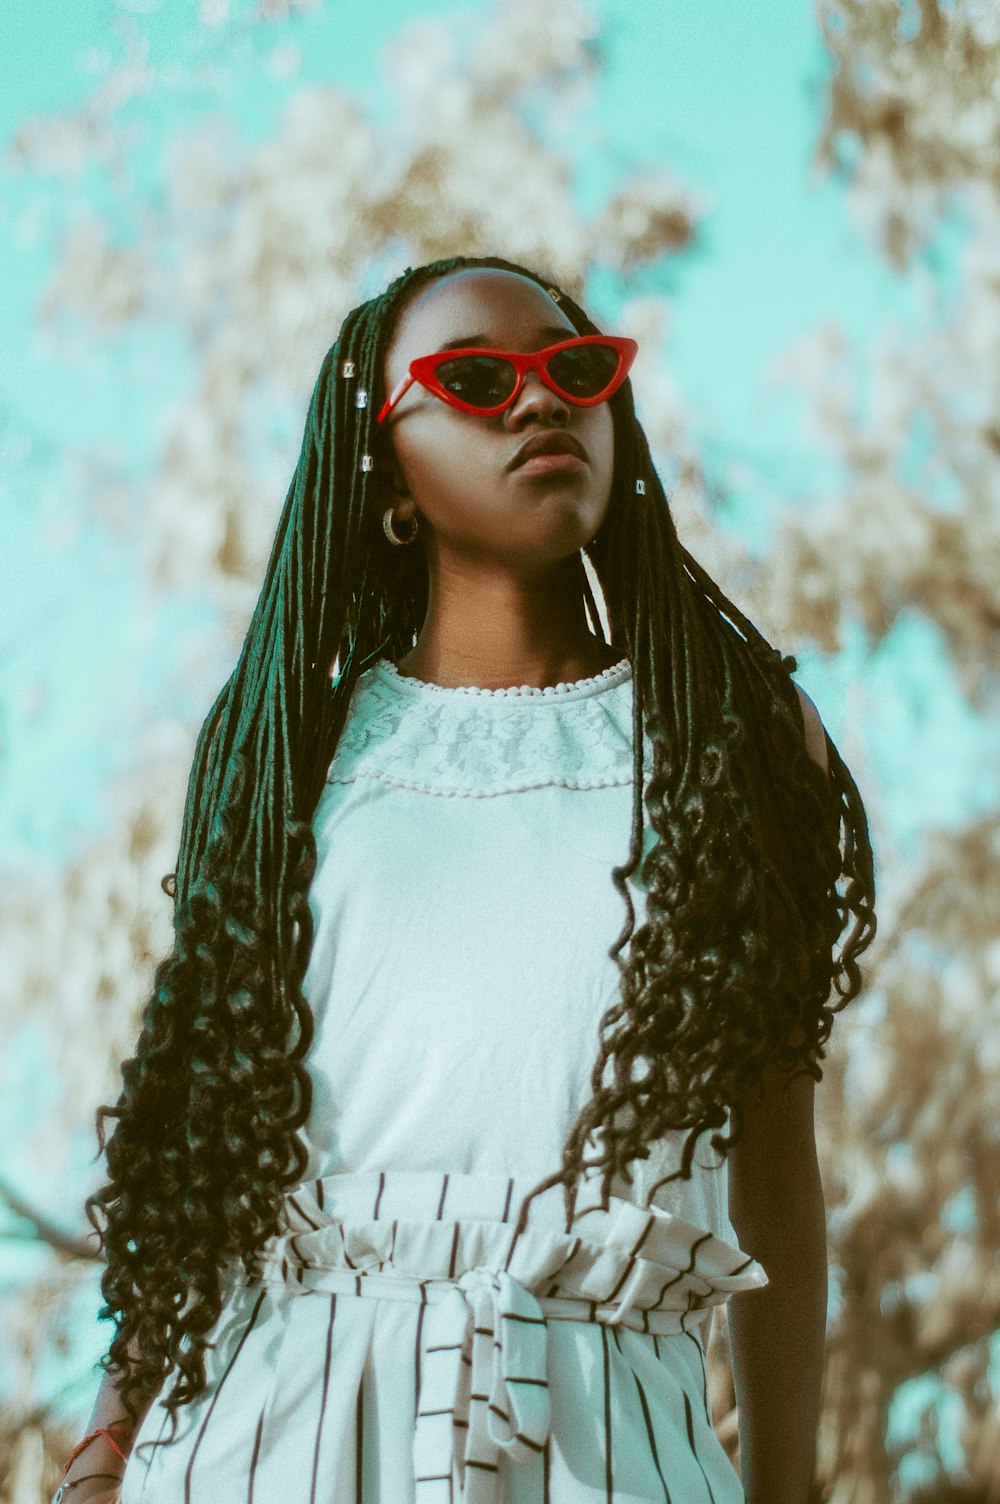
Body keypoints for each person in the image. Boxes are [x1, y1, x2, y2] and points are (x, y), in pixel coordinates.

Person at [58, 254, 876, 1504]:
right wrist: (100, 1459)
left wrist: (784, 1491)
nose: (540, 405)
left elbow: (775, 1175)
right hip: (265, 1436)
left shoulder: (738, 741)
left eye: (576, 373)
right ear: (385, 464)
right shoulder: (290, 752)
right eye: (478, 380)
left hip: (605, 1445)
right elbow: (198, 1143)